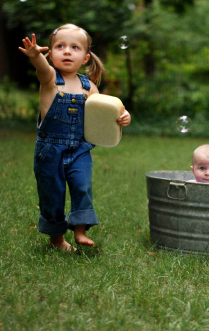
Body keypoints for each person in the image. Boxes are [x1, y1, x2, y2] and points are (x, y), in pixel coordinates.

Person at [19, 24, 131, 251]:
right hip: (50, 150)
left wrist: (123, 117)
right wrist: (34, 57)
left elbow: (103, 114)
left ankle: (80, 230)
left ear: (86, 57)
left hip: (80, 150)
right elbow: (41, 68)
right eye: (60, 46)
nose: (67, 51)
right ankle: (57, 239)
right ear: (50, 54)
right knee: (52, 193)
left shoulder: (89, 87)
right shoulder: (50, 78)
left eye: (74, 47)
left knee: (82, 186)